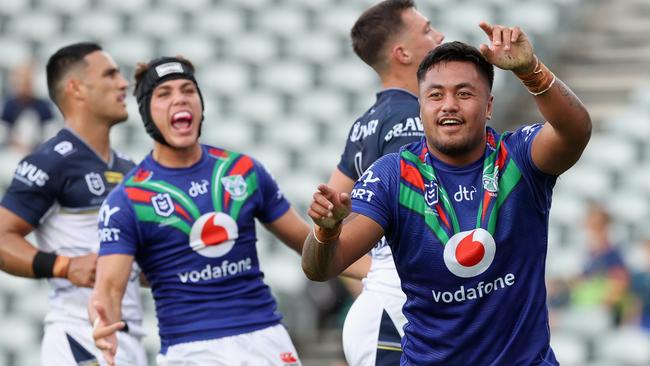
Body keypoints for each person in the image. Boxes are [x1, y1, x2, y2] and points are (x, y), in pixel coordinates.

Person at [302, 21, 592, 365]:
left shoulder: (518, 159)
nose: (448, 105)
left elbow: (575, 131)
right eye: (435, 95)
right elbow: (322, 267)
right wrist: (327, 230)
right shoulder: (394, 176)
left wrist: (531, 71)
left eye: (464, 93)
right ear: (421, 107)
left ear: (488, 106)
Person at [89, 56, 309, 366]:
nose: (179, 98)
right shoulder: (128, 199)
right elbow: (107, 291)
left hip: (265, 338)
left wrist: (369, 268)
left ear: (200, 103)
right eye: (164, 94)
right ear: (146, 113)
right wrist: (102, 325)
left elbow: (313, 247)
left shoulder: (243, 171)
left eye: (188, 90)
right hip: (190, 350)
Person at [0, 43, 146, 365]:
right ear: (76, 88)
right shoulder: (50, 161)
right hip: (80, 338)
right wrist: (64, 266)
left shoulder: (129, 170)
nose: (123, 84)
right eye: (110, 75)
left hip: (132, 340)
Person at [330, 1, 444, 364]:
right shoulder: (413, 119)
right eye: (427, 30)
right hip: (400, 312)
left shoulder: (365, 122)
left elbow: (324, 222)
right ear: (403, 53)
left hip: (384, 305)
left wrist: (375, 272)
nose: (439, 36)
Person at [571, 202, 633, 326]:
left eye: (595, 226)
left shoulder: (612, 255)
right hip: (582, 310)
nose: (589, 231)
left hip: (601, 314)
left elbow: (620, 285)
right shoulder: (587, 255)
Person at [1, 61, 55, 152]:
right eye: (20, 82)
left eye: (27, 82)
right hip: (12, 150)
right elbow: (3, 132)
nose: (23, 86)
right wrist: (14, 142)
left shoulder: (43, 106)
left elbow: (50, 133)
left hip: (38, 150)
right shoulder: (9, 105)